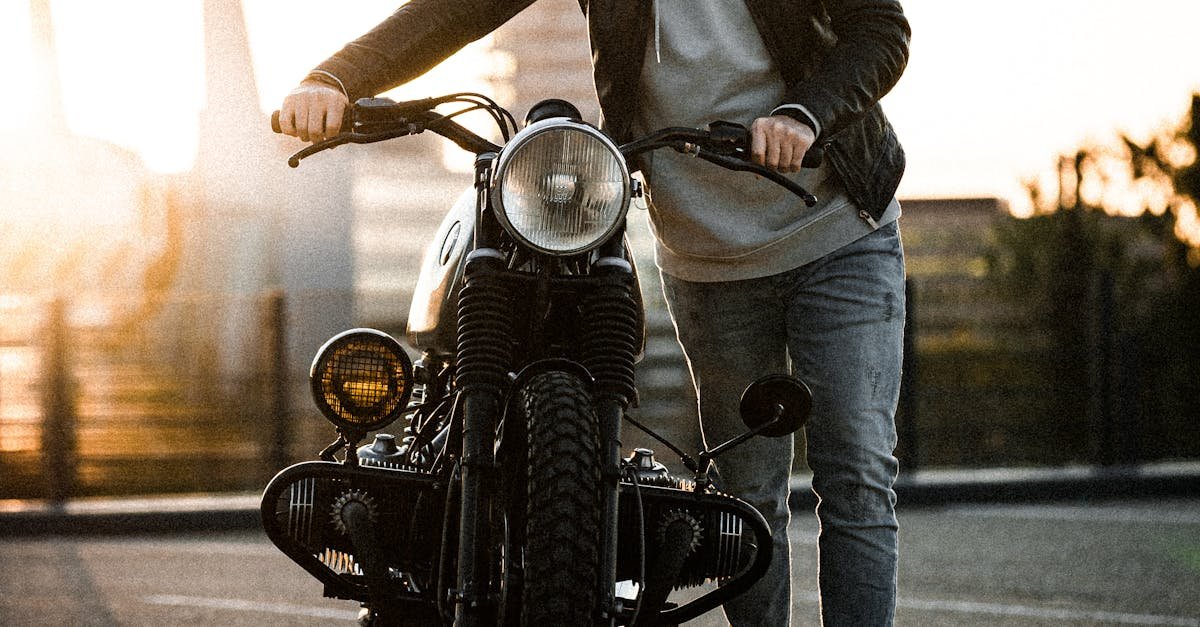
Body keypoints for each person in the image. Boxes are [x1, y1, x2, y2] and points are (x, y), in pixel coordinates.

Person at [278, 1, 910, 624]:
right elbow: (456, 10)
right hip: (707, 255)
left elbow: (881, 29)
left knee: (854, 473)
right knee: (746, 491)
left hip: (839, 232)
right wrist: (336, 76)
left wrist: (807, 114)